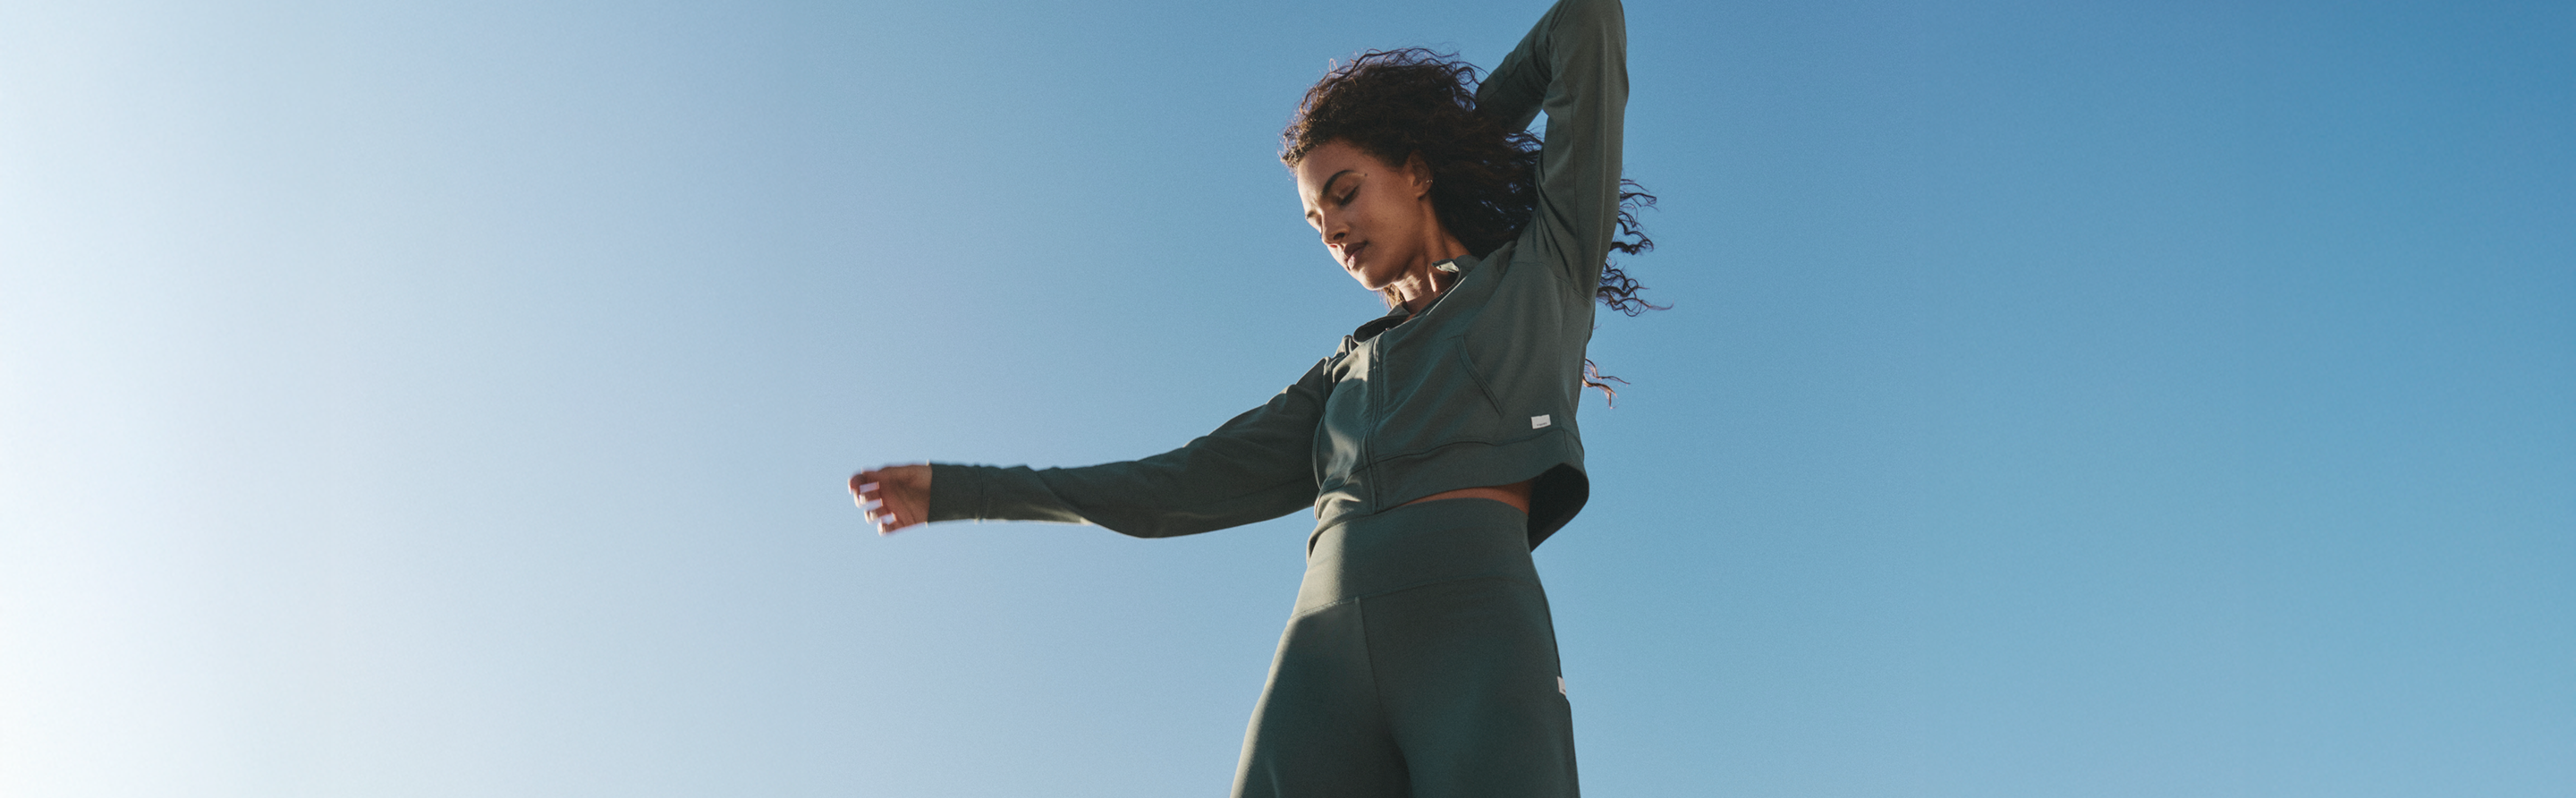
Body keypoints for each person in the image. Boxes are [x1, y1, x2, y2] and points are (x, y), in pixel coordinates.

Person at [852, 1, 1643, 794]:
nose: (1333, 231)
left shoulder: (1541, 272)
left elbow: (1585, 22)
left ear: (1415, 172)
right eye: (1316, 221)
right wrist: (965, 491)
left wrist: (1457, 140)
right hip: (1320, 654)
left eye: (1345, 193)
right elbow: (1174, 484)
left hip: (1473, 624)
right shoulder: (1341, 376)